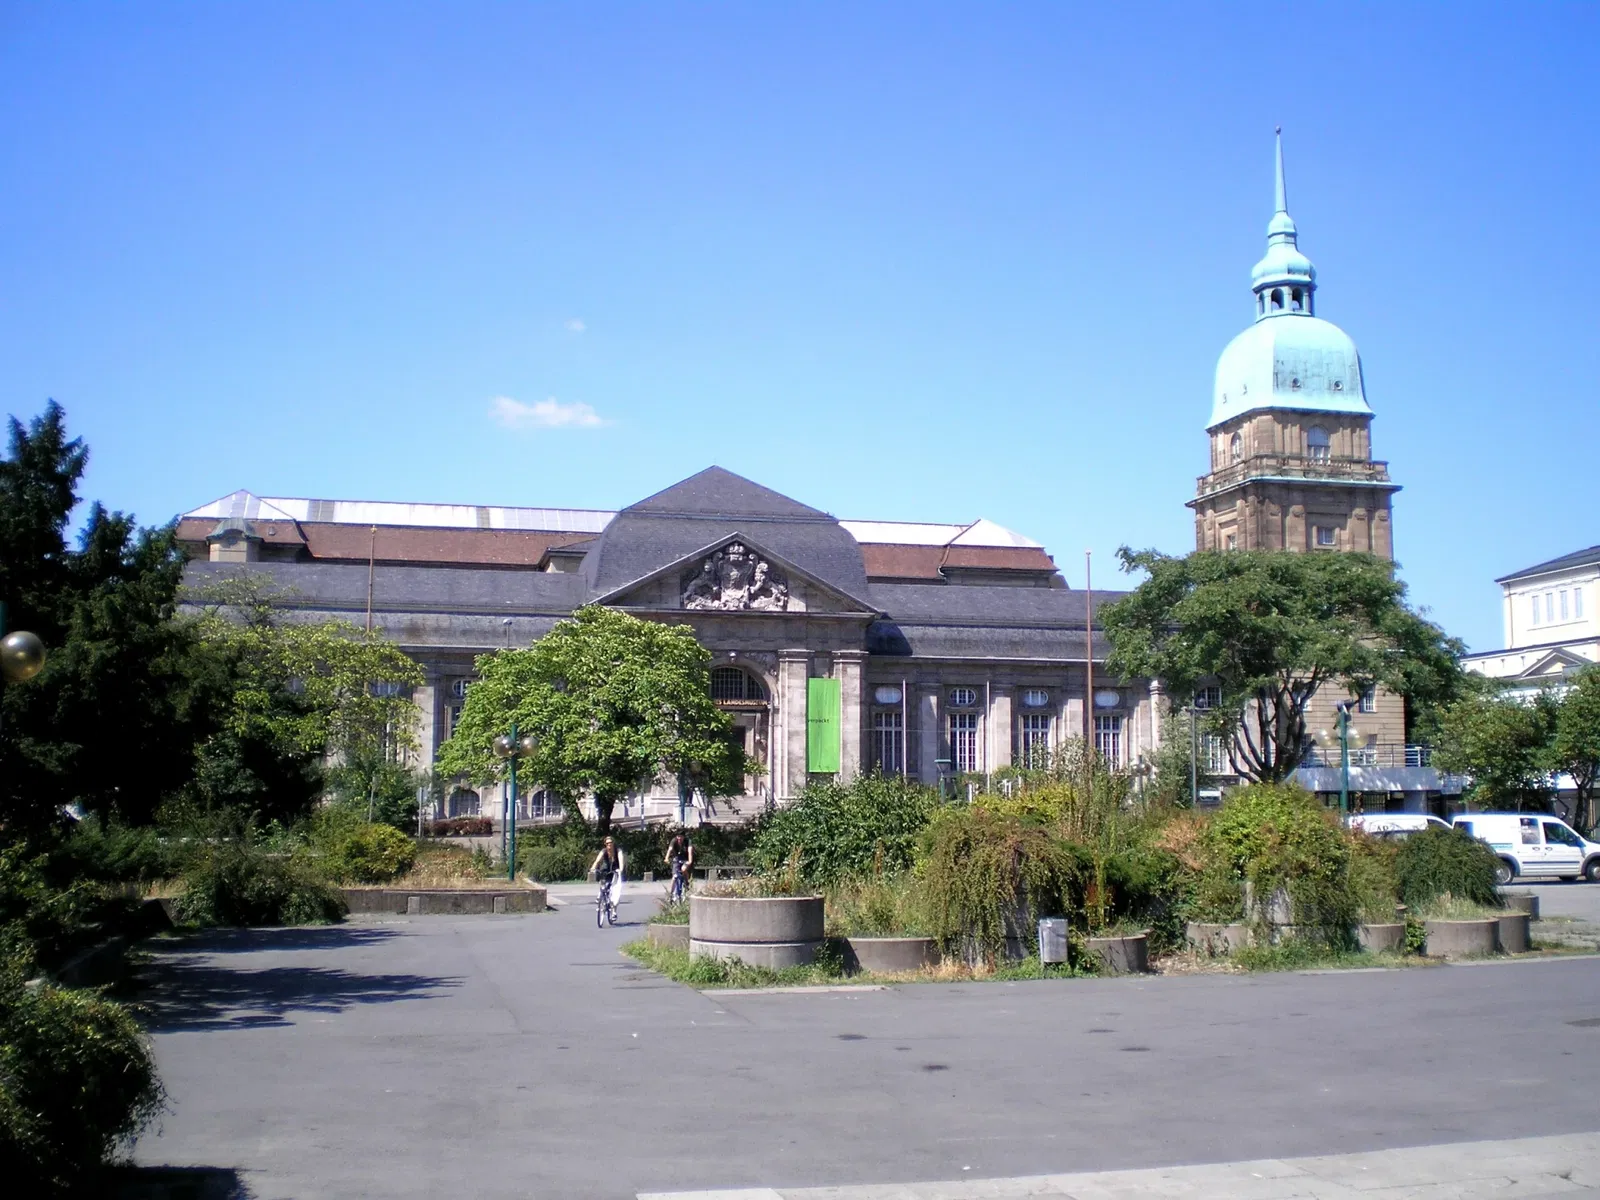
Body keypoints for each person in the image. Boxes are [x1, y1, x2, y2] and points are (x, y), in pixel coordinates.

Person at [664, 833, 695, 902]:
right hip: (677, 858)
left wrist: (689, 861)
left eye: (680, 837)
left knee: (684, 869)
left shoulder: (688, 841)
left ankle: (687, 883)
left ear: (683, 837)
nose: (679, 839)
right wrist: (666, 858)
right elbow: (670, 850)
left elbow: (690, 851)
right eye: (678, 837)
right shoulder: (674, 840)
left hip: (686, 858)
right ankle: (671, 894)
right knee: (674, 876)